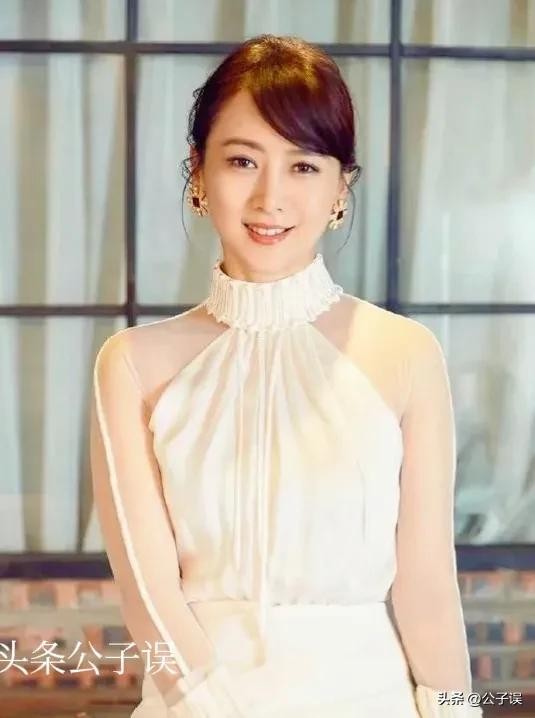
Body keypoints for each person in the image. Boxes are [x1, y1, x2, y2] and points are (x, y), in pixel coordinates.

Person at [90, 34, 483, 717]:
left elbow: (426, 590)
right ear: (198, 173)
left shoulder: (404, 354)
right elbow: (148, 594)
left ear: (340, 188)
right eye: (242, 160)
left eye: (303, 166)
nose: (270, 197)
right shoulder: (132, 363)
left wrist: (456, 709)